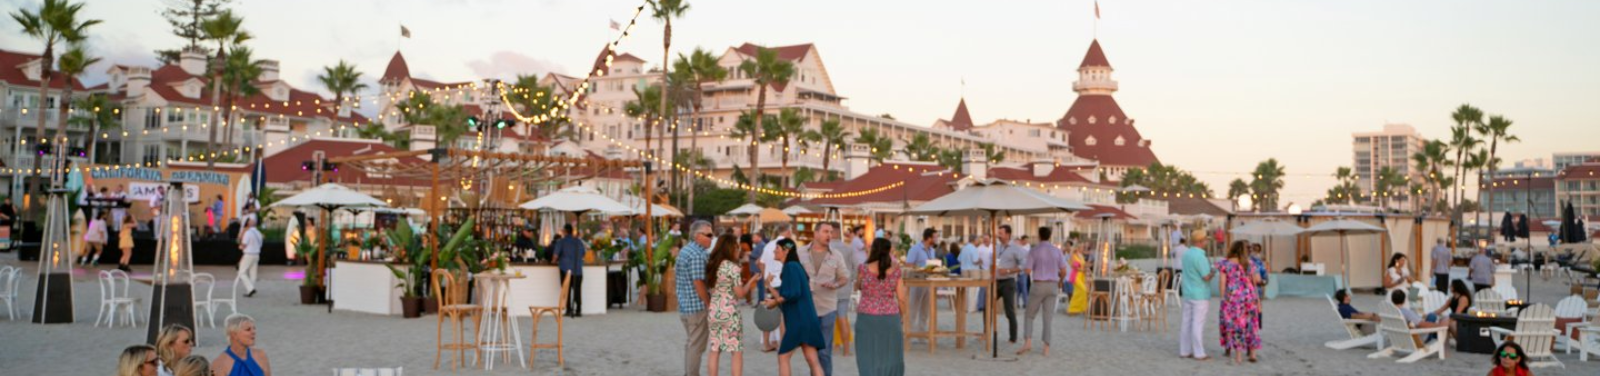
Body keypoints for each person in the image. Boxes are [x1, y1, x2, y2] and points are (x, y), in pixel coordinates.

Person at [761, 238, 826, 376]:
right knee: (812, 360)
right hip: (807, 318)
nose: (774, 251)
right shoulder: (795, 266)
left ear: (786, 251)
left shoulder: (791, 266)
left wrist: (775, 302)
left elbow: (794, 293)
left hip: (799, 320)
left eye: (777, 248)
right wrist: (769, 286)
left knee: (783, 357)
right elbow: (787, 294)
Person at [798, 222, 850, 376]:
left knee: (825, 353)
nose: (830, 235)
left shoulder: (836, 255)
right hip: (806, 308)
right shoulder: (800, 252)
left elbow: (844, 277)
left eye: (831, 232)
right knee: (810, 354)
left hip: (827, 307)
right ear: (816, 233)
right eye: (826, 231)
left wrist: (836, 284)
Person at [706, 233, 761, 376]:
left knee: (714, 349)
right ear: (730, 249)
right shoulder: (732, 267)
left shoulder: (712, 265)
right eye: (736, 247)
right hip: (729, 312)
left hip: (714, 310)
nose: (739, 250)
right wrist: (751, 280)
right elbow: (740, 293)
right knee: (736, 351)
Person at [854, 237, 906, 376]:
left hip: (866, 317)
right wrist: (901, 317)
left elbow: (857, 287)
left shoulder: (863, 268)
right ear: (889, 250)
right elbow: (901, 298)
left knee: (867, 353)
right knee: (891, 355)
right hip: (890, 317)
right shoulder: (896, 270)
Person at [1017, 227, 1067, 356]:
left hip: (1038, 285)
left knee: (1029, 315)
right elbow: (1064, 270)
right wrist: (1060, 280)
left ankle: (1028, 342)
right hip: (1053, 285)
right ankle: (1046, 347)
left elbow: (1027, 271)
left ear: (1039, 236)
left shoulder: (1034, 251)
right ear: (1050, 236)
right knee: (1048, 317)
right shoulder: (1057, 251)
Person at [1216, 241, 1262, 364]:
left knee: (1236, 326)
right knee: (1251, 325)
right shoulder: (1250, 263)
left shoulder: (1225, 264)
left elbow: (1222, 283)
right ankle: (1253, 354)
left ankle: (1238, 357)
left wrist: (1222, 298)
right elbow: (1257, 280)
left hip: (1233, 299)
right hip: (1249, 298)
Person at [678, 220, 714, 376]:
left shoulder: (686, 250)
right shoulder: (698, 254)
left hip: (685, 305)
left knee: (692, 343)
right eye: (709, 235)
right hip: (697, 307)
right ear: (698, 236)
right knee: (696, 346)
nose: (712, 238)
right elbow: (698, 282)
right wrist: (708, 303)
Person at [1179, 231, 1215, 361]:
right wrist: (1213, 272)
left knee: (1186, 323)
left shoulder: (1186, 254)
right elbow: (1205, 277)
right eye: (1206, 240)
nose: (1207, 242)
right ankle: (1199, 353)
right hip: (1199, 293)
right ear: (1200, 241)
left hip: (1188, 292)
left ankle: (1184, 351)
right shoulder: (1200, 256)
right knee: (1197, 324)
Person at [828, 223, 863, 357]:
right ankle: (846, 350)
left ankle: (830, 347)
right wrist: (849, 279)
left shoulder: (827, 248)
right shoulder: (848, 248)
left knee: (827, 320)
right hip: (844, 289)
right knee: (843, 318)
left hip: (828, 289)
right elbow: (857, 267)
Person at [757, 224, 792, 352]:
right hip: (782, 281)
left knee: (769, 313)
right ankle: (783, 343)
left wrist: (766, 276)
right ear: (788, 232)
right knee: (784, 314)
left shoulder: (768, 245)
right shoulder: (787, 244)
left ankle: (766, 344)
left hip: (769, 282)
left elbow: (760, 263)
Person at [993, 224, 1028, 343]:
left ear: (1008, 234)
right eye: (998, 233)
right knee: (987, 306)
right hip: (995, 282)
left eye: (1001, 233)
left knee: (1009, 311)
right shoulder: (996, 247)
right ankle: (985, 333)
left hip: (1008, 282)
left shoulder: (1017, 248)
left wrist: (1008, 270)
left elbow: (1023, 265)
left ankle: (1013, 338)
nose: (998, 235)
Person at [905, 228, 937, 336]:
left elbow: (932, 265)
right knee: (913, 309)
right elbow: (908, 264)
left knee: (925, 311)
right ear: (929, 238)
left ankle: (921, 335)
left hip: (929, 283)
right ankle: (908, 334)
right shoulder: (915, 249)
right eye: (935, 237)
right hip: (917, 282)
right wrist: (921, 268)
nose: (937, 239)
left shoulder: (932, 250)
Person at [551, 224, 586, 317]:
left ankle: (569, 309)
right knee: (577, 290)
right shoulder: (578, 241)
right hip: (578, 269)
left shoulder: (561, 242)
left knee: (566, 289)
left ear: (565, 231)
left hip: (565, 269)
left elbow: (555, 256)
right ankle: (578, 310)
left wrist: (553, 261)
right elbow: (583, 254)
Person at [238, 219, 262, 298]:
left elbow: (244, 244)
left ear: (248, 224)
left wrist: (240, 247)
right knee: (253, 273)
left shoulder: (248, 233)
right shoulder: (259, 233)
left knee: (241, 272)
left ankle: (250, 288)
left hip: (248, 254)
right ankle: (250, 289)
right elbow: (261, 244)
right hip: (256, 254)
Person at [1067, 242, 1090, 315]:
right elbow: (1074, 267)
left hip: (1081, 276)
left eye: (1083, 247)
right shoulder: (1073, 256)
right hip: (1075, 276)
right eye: (1082, 247)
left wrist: (1087, 267)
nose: (1083, 248)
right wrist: (1083, 270)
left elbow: (1083, 265)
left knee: (1078, 293)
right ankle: (1079, 309)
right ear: (1078, 248)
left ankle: (1075, 309)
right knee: (1083, 290)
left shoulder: (1081, 256)